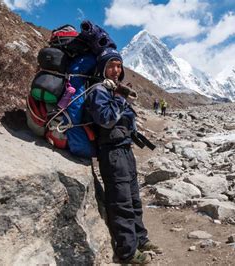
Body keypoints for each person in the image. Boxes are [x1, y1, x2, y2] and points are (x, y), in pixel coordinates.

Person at [84, 48, 161, 264]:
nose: (116, 70)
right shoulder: (98, 91)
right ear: (102, 68)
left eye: (119, 66)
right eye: (111, 66)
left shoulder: (113, 90)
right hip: (112, 152)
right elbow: (106, 120)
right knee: (121, 202)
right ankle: (127, 251)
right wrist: (119, 98)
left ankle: (141, 239)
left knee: (134, 198)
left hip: (125, 151)